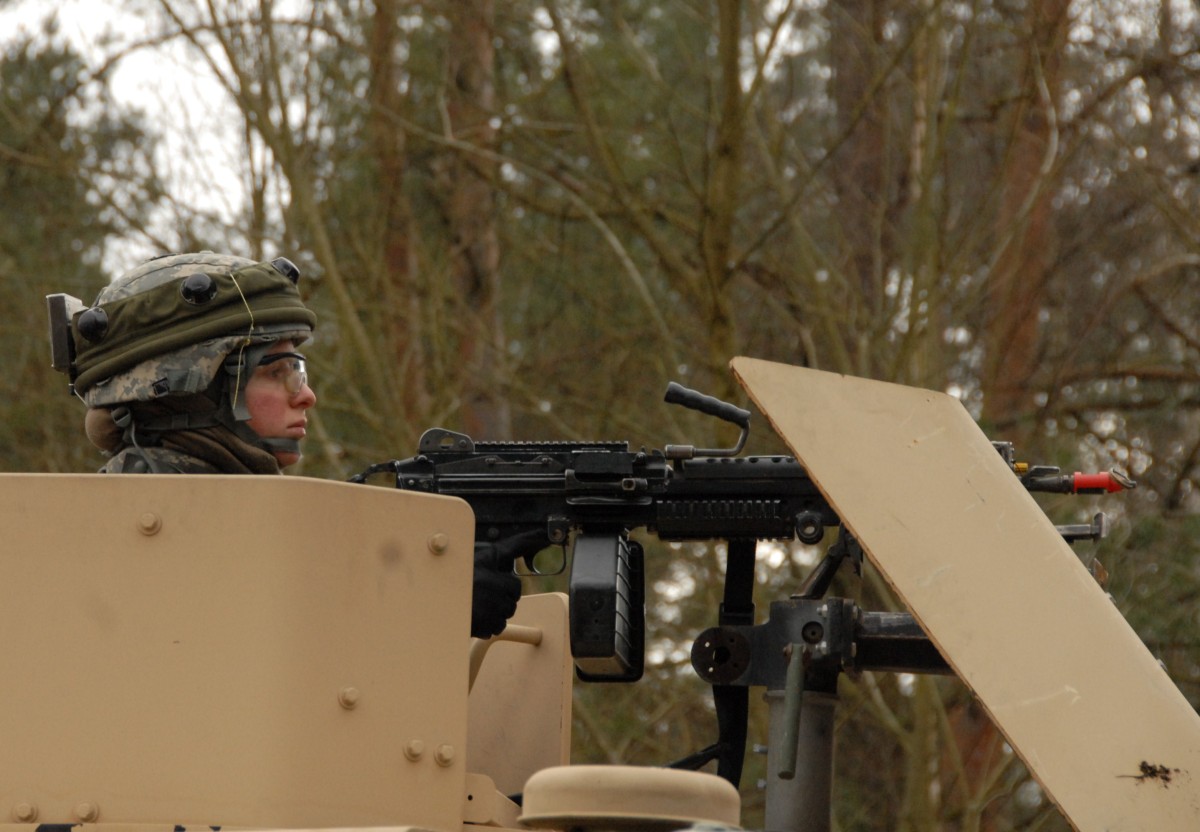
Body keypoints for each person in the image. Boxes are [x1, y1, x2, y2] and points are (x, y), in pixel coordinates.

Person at [52, 250, 532, 637]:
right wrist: (414, 608)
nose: (306, 394)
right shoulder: (138, 523)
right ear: (194, 390)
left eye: (298, 369)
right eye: (275, 372)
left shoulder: (246, 517)